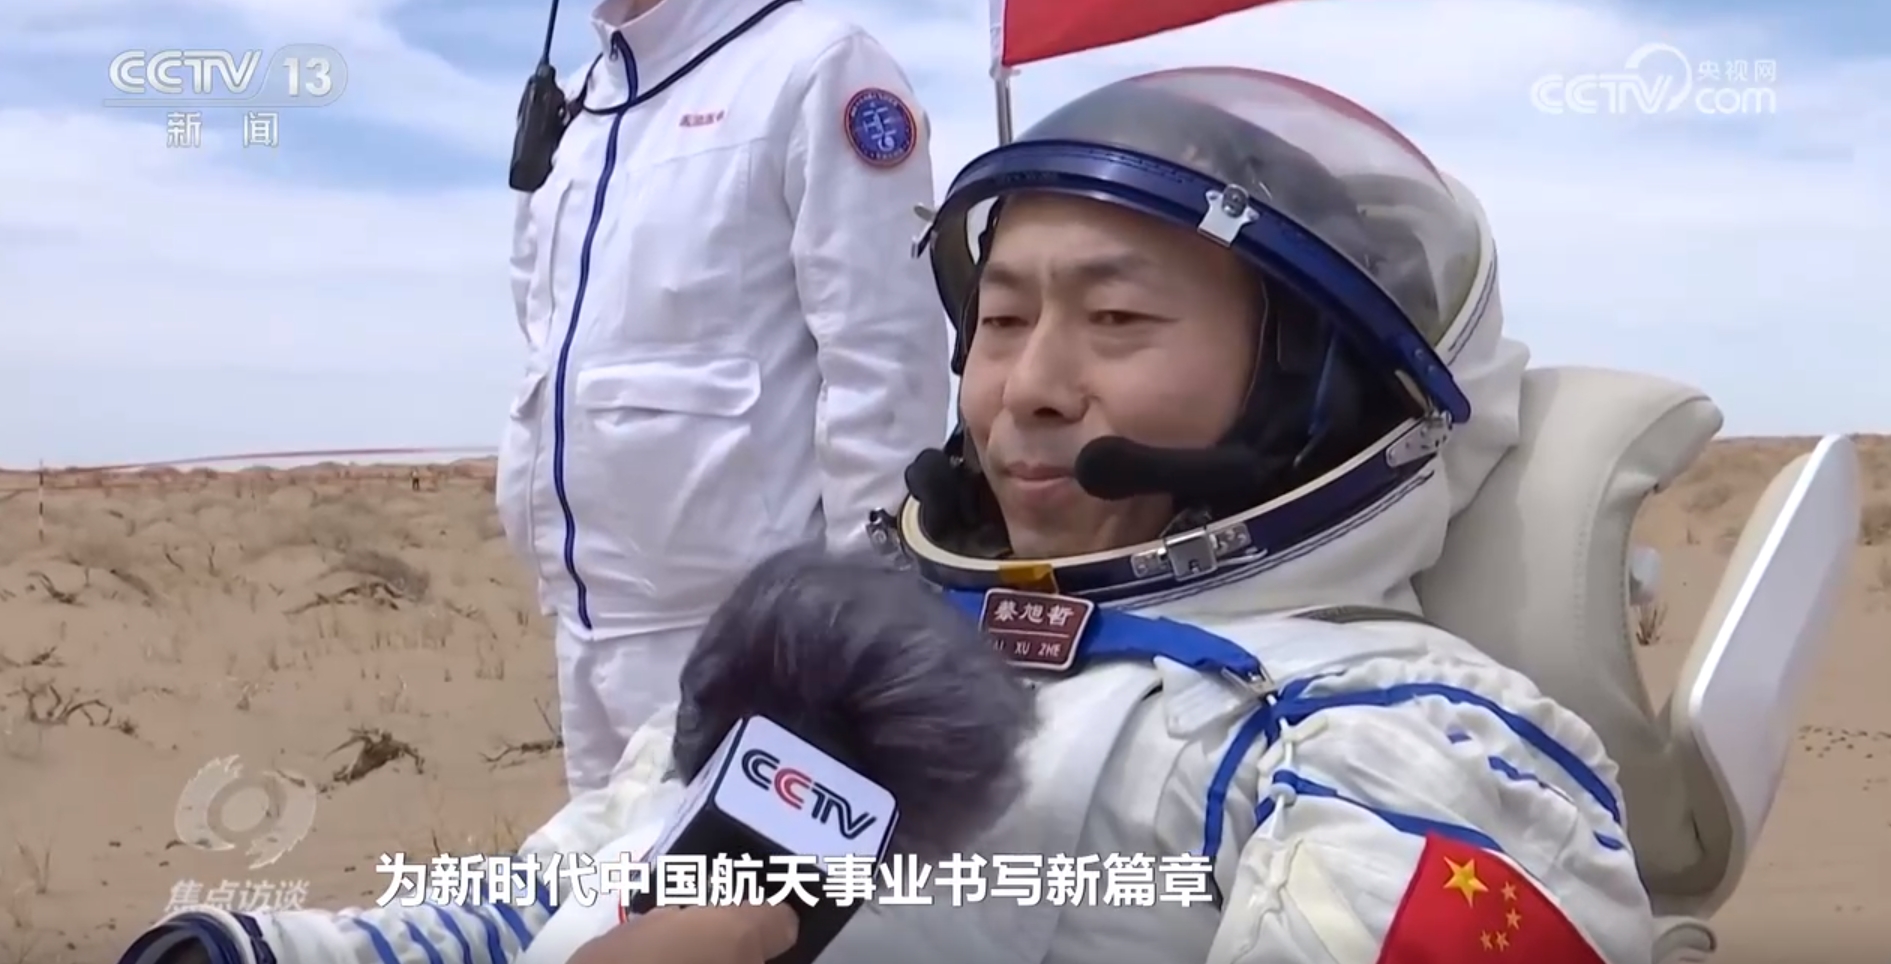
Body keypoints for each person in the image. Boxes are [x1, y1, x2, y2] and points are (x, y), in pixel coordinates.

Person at [119, 68, 1655, 964]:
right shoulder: (858, 665)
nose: (1026, 389)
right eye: (1003, 320)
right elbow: (567, 889)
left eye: (1117, 321)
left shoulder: (1385, 742)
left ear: (1312, 387)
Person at [498, 0, 950, 796]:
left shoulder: (817, 65)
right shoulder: (579, 105)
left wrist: (857, 633)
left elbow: (883, 364)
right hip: (587, 626)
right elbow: (545, 337)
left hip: (753, 642)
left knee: (733, 878)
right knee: (607, 872)